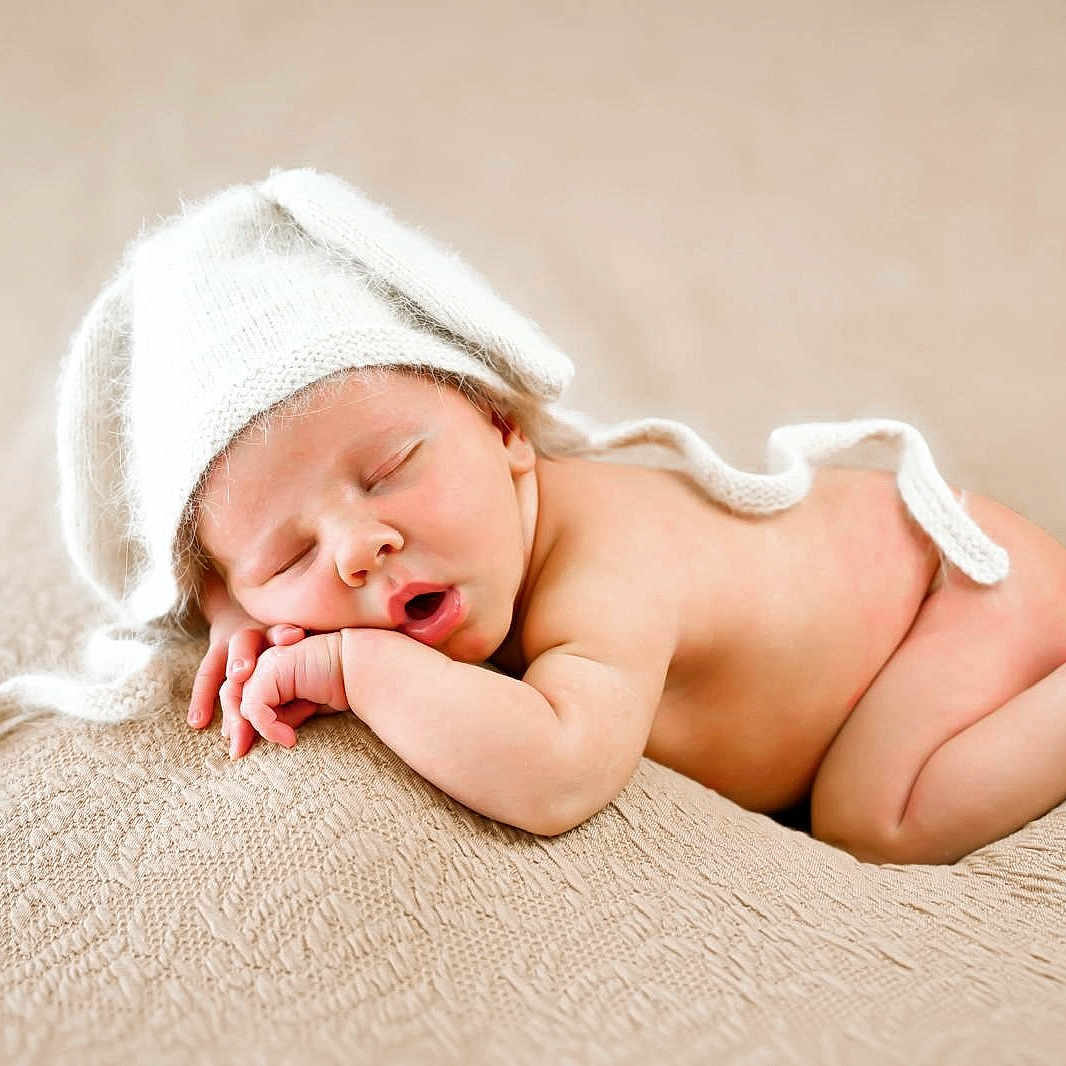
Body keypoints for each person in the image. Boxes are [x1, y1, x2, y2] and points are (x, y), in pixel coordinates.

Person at [18, 167, 1066, 866]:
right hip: (921, 591)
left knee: (874, 818)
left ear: (503, 427)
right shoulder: (424, 559)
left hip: (953, 591)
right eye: (287, 551)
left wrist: (352, 667)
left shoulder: (607, 564)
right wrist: (238, 615)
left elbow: (560, 770)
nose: (354, 548)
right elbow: (227, 581)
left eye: (388, 470)